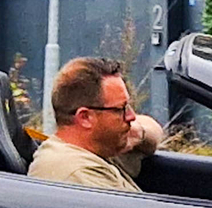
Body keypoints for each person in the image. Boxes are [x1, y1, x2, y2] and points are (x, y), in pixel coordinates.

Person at [28, 57, 160, 192]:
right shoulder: (78, 173)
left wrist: (136, 134)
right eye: (121, 109)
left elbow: (154, 130)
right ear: (85, 117)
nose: (131, 117)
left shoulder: (98, 146)